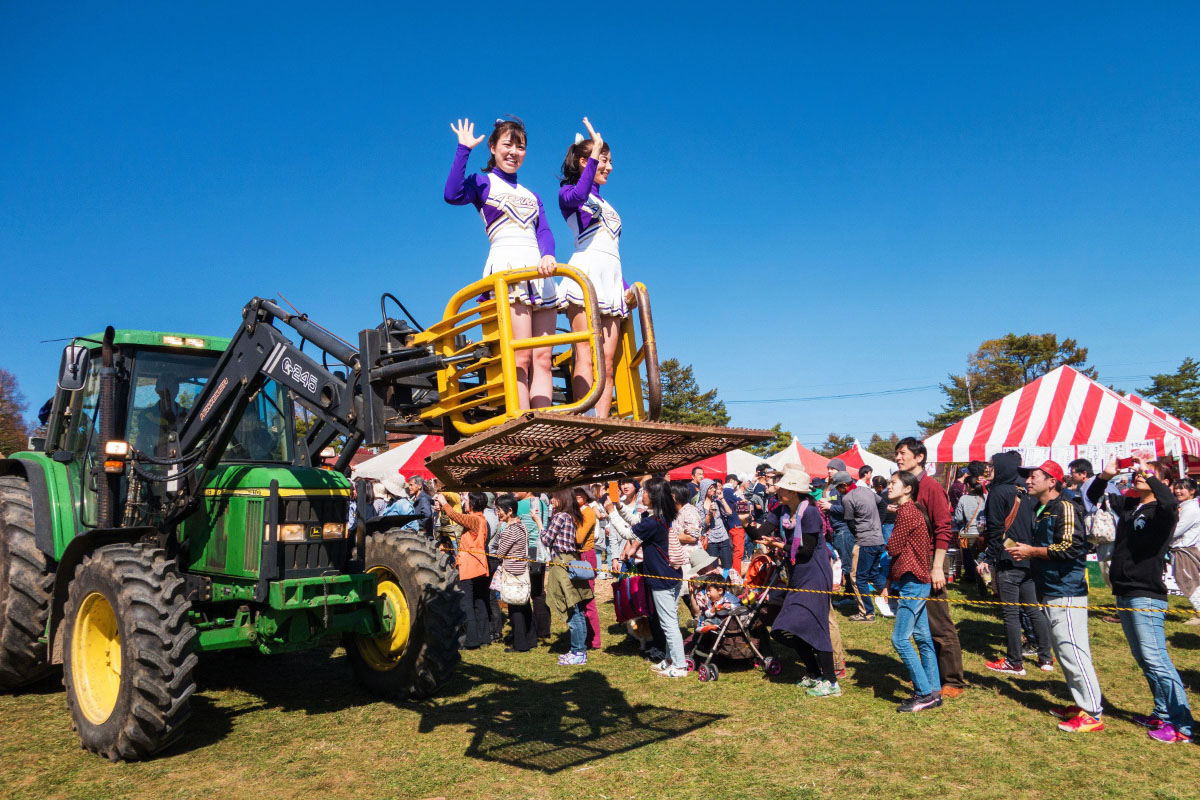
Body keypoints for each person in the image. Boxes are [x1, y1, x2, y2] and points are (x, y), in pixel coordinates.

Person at [444, 116, 558, 409]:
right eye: (507, 144)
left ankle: (542, 426)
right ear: (493, 147)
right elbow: (452, 194)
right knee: (519, 357)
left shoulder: (532, 195)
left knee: (543, 358)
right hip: (508, 269)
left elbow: (543, 230)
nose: (513, 152)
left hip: (540, 273)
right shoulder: (483, 183)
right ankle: (523, 426)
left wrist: (548, 255)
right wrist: (463, 149)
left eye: (520, 147)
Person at [1087, 457, 1193, 743]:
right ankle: (1162, 712)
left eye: (1147, 474)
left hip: (1146, 593)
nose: (1139, 476)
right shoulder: (1133, 506)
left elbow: (1170, 503)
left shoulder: (1165, 510)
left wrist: (1148, 470)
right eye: (1138, 473)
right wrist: (1105, 476)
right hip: (1124, 590)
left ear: (1164, 483)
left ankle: (1183, 726)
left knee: (1157, 660)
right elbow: (1093, 495)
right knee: (1144, 659)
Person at [1005, 461, 1104, 734]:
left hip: (1067, 590)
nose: (1028, 480)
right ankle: (1082, 704)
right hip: (1051, 588)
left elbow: (1070, 547)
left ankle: (1093, 713)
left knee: (1074, 651)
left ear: (1052, 481)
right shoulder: (1042, 508)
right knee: (1064, 651)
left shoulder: (1065, 507)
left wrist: (1032, 552)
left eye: (1034, 476)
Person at [557, 118, 625, 417]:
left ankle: (603, 422)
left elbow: (612, 249)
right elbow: (579, 195)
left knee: (608, 360)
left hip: (611, 279)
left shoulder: (608, 204)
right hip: (584, 274)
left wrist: (625, 288)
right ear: (586, 161)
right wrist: (594, 150)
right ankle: (584, 420)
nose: (608, 167)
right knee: (585, 353)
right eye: (603, 160)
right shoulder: (568, 194)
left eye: (609, 161)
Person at [759, 466, 841, 698]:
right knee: (783, 628)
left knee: (817, 626)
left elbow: (806, 550)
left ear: (794, 491)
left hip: (815, 574)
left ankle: (832, 682)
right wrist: (746, 523)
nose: (777, 489)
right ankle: (814, 672)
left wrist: (779, 546)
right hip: (796, 575)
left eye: (782, 487)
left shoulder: (811, 512)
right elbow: (761, 532)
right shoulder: (781, 509)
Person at [894, 437, 965, 697]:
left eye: (903, 453)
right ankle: (930, 676)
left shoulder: (931, 487)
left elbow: (943, 529)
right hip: (915, 561)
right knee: (921, 625)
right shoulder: (908, 487)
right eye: (896, 454)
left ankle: (953, 680)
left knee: (939, 622)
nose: (899, 458)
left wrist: (937, 567)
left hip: (933, 560)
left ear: (919, 457)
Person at [980, 451, 1053, 675]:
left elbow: (994, 530)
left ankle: (1015, 661)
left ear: (1002, 467)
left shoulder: (998, 492)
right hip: (1028, 555)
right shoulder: (1026, 491)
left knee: (1010, 612)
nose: (989, 469)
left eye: (992, 465)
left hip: (1009, 557)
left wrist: (987, 559)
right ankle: (1046, 658)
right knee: (1033, 610)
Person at [880, 470, 941, 712]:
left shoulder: (906, 512)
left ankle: (924, 693)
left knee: (900, 639)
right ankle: (933, 691)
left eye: (894, 483)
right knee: (923, 638)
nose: (889, 487)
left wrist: (890, 518)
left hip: (913, 583)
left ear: (908, 488)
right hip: (915, 580)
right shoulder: (910, 511)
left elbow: (893, 547)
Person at [621, 476, 687, 678]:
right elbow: (635, 522)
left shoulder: (654, 521)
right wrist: (618, 507)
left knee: (668, 623)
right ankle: (669, 660)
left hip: (662, 578)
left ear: (655, 495)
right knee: (670, 620)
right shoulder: (660, 518)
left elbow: (627, 533)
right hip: (670, 575)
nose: (643, 495)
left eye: (646, 491)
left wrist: (610, 513)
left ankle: (680, 665)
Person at [541, 488, 594, 666]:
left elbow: (546, 540)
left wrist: (539, 525)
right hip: (570, 562)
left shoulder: (560, 516)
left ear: (561, 498)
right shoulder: (570, 516)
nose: (551, 500)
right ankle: (577, 650)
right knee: (576, 608)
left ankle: (579, 651)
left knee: (573, 610)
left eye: (554, 497)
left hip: (562, 565)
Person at [436, 491, 491, 649]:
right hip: (480, 565)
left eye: (466, 500)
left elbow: (456, 516)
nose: (464, 502)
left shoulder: (474, 520)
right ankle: (484, 637)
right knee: (479, 602)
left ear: (473, 504)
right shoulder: (482, 520)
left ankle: (472, 640)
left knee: (467, 603)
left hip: (469, 566)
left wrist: (443, 502)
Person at [838, 471, 886, 623]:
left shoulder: (847, 498)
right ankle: (898, 599)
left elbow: (851, 523)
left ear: (844, 485)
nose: (837, 490)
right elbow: (883, 505)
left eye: (838, 487)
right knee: (873, 575)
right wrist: (879, 523)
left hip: (865, 542)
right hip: (879, 539)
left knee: (858, 578)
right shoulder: (867, 491)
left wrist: (861, 533)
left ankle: (867, 613)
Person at [494, 494, 536, 652]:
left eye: (499, 510)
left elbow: (500, 552)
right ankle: (531, 639)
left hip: (512, 572)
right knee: (524, 605)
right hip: (522, 570)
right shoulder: (522, 526)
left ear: (509, 511)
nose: (498, 513)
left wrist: (500, 529)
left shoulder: (510, 530)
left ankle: (520, 644)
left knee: (515, 609)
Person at [515, 490, 552, 643]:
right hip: (540, 550)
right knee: (538, 591)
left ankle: (529, 628)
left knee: (525, 589)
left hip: (527, 550)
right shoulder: (542, 503)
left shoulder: (520, 505)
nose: (514, 492)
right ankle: (543, 630)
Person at [817, 458, 855, 600]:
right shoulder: (831, 487)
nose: (829, 471)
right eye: (828, 468)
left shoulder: (846, 487)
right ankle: (849, 594)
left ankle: (851, 596)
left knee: (848, 564)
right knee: (844, 562)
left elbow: (849, 508)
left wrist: (830, 507)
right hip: (835, 529)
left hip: (845, 528)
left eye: (832, 468)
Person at [573, 486, 603, 650]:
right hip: (578, 557)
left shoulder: (588, 512)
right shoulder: (576, 512)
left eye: (581, 492)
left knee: (588, 599)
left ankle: (594, 640)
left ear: (587, 495)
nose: (578, 495)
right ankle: (584, 636)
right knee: (579, 599)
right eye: (575, 492)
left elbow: (578, 537)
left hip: (585, 556)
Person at [1170, 477, 1200, 624]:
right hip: (1182, 549)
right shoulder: (1185, 505)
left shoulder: (1191, 509)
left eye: (1182, 488)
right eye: (1176, 487)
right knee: (1188, 581)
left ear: (1192, 491)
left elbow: (1174, 531)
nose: (1178, 491)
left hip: (1186, 550)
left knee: (1188, 581)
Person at [699, 478, 734, 572]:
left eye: (714, 487)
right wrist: (709, 513)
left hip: (723, 537)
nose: (714, 490)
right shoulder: (700, 505)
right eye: (710, 488)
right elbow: (704, 524)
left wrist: (722, 499)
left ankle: (727, 584)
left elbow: (729, 513)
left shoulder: (717, 501)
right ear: (704, 490)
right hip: (710, 540)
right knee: (713, 568)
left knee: (728, 566)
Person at [723, 474, 748, 574]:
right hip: (736, 524)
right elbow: (743, 502)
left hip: (734, 524)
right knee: (738, 552)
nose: (737, 484)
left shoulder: (727, 491)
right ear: (732, 480)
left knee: (737, 551)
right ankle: (736, 575)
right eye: (737, 482)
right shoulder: (728, 491)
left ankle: (735, 573)